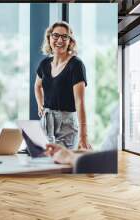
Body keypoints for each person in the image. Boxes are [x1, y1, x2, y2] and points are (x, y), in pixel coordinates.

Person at [34, 21, 91, 150]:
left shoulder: (76, 65)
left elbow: (80, 102)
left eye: (64, 37)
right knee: (45, 162)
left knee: (63, 164)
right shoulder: (44, 64)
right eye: (55, 35)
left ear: (70, 41)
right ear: (49, 38)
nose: (60, 40)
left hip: (67, 124)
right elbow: (37, 86)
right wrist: (40, 104)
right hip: (46, 121)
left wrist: (83, 136)